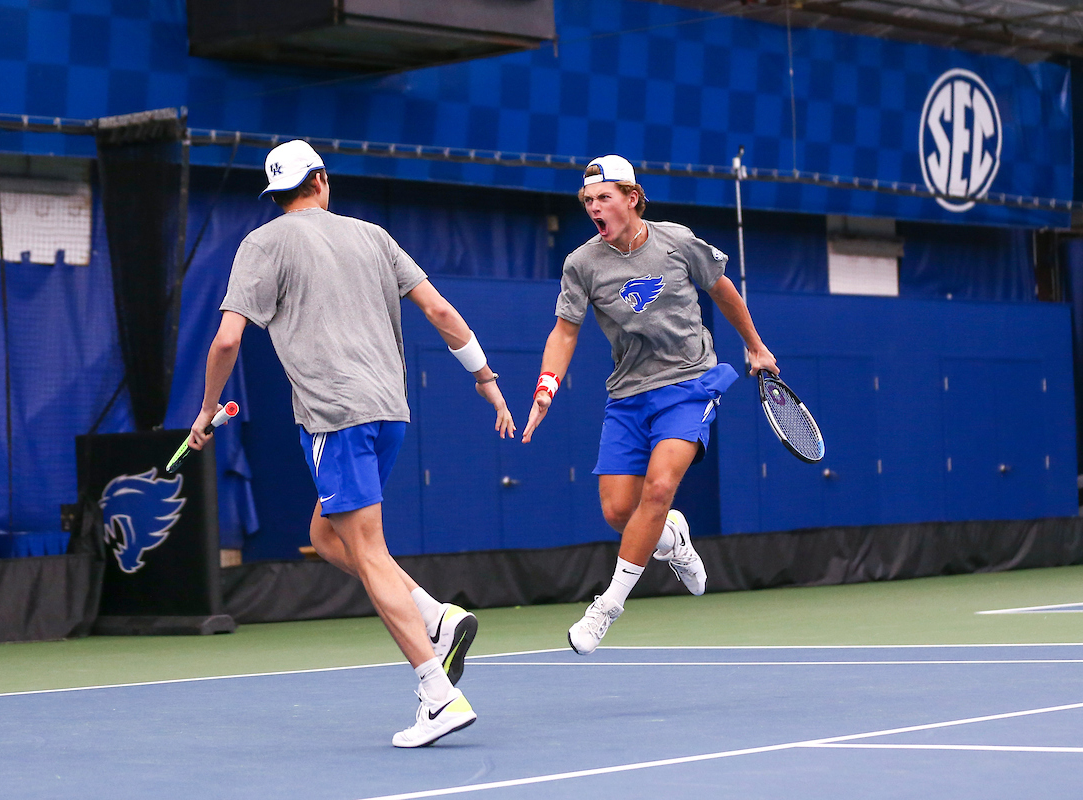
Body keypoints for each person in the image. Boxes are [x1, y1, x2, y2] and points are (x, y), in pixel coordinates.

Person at [188, 140, 516, 747]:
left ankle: (436, 691)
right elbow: (441, 313)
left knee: (366, 551)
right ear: (322, 181)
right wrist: (486, 380)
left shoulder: (262, 243)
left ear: (277, 194)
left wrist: (206, 411)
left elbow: (228, 343)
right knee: (324, 535)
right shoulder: (373, 235)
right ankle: (436, 617)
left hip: (335, 416)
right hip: (390, 413)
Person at [522, 154, 777, 655]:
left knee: (660, 487)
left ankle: (608, 606)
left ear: (632, 198)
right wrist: (546, 387)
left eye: (604, 198)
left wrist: (754, 344)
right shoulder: (581, 264)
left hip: (689, 383)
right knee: (621, 510)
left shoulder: (677, 241)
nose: (594, 207)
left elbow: (722, 289)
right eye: (588, 201)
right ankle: (672, 539)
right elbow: (564, 331)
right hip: (627, 394)